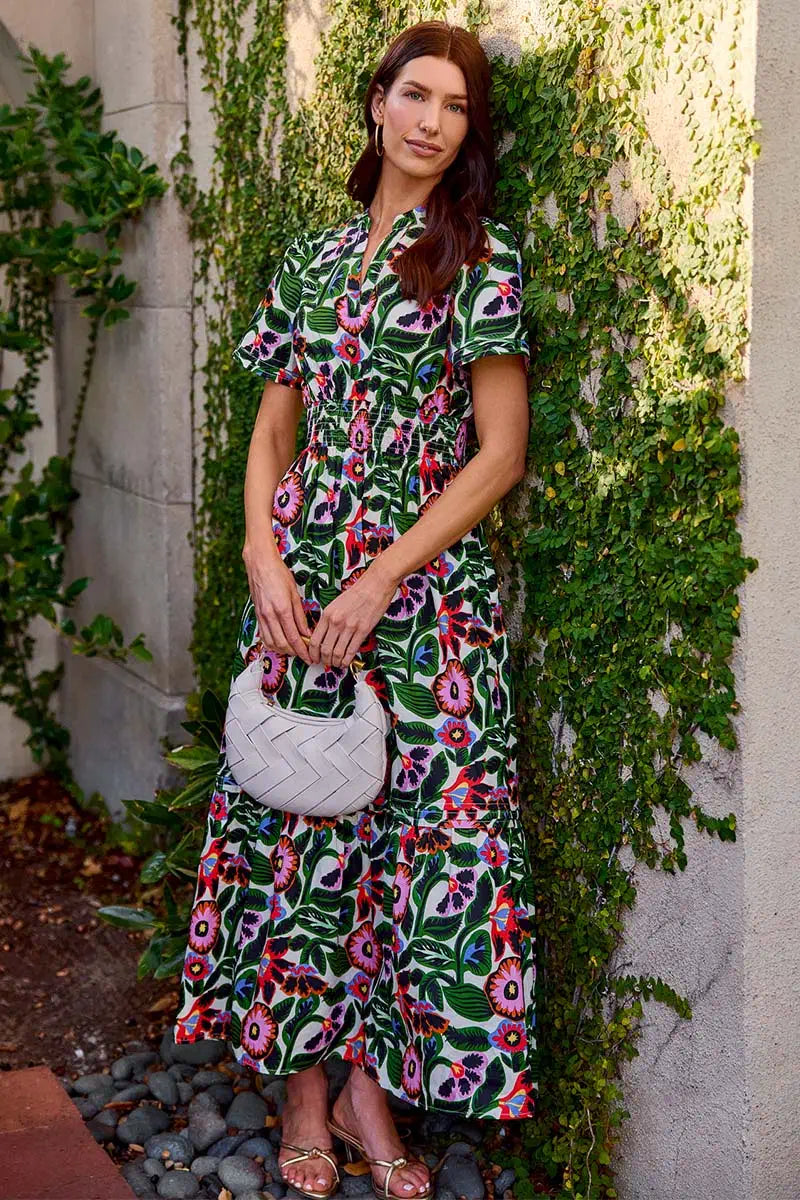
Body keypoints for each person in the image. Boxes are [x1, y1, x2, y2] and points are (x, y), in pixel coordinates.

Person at [173, 18, 537, 1200]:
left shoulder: (476, 258)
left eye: (456, 107)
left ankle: (377, 1086)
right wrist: (258, 556)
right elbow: (274, 426)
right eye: (414, 95)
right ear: (376, 103)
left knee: (412, 840)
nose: (432, 121)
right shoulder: (311, 259)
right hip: (298, 577)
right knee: (301, 828)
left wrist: (384, 575)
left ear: (467, 132)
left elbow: (498, 454)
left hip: (423, 595)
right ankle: (301, 1090)